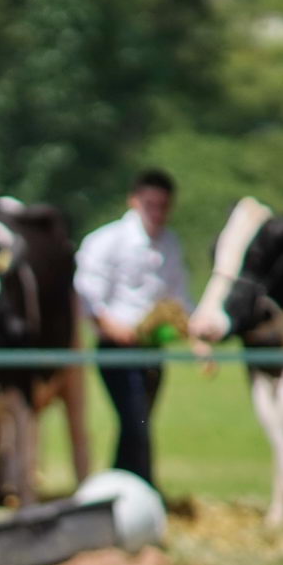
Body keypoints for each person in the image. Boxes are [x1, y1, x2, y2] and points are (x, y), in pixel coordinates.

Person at [75, 168, 189, 487]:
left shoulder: (170, 243)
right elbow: (86, 291)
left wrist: (188, 327)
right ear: (134, 201)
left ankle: (122, 486)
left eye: (163, 206)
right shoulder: (107, 240)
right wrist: (108, 324)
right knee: (135, 422)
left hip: (151, 347)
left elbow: (178, 293)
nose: (157, 213)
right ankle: (143, 486)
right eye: (150, 204)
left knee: (138, 423)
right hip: (118, 348)